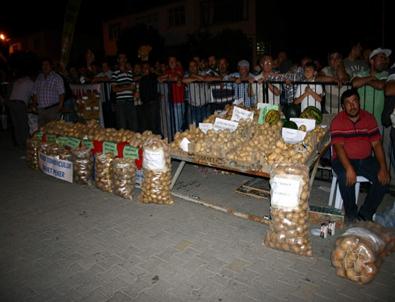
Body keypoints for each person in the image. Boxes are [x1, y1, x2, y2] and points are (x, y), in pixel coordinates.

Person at [330, 88, 389, 224]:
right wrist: (349, 168)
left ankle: (365, 213)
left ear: (359, 102)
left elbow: (377, 145)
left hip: (365, 159)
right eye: (348, 103)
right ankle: (351, 213)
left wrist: (383, 167)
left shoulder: (368, 118)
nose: (352, 105)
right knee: (345, 176)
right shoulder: (338, 121)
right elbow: (338, 148)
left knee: (384, 179)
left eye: (355, 101)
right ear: (343, 106)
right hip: (343, 158)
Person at [32, 58, 65, 127]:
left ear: (51, 66)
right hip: (41, 109)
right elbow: (35, 93)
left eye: (47, 65)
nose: (45, 66)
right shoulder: (39, 78)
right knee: (41, 132)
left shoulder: (57, 77)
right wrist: (34, 105)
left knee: (53, 131)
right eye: (43, 65)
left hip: (53, 109)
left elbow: (61, 93)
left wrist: (60, 107)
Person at [6, 72, 34, 149]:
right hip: (19, 103)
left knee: (16, 124)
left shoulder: (18, 80)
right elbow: (34, 95)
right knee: (23, 124)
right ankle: (26, 144)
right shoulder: (30, 82)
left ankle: (19, 143)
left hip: (11, 103)